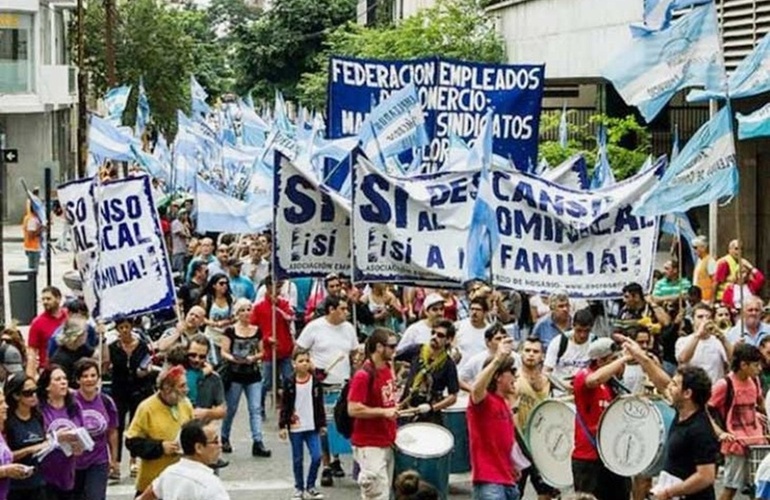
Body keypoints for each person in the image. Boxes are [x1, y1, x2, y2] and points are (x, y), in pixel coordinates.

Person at [623, 339, 720, 500]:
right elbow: (662, 382)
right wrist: (641, 357)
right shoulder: (682, 410)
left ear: (687, 394)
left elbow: (706, 476)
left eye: (675, 385)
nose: (670, 387)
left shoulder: (700, 429)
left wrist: (670, 492)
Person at [296, 296, 358, 485]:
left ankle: (337, 459)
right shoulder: (315, 327)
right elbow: (298, 351)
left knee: (340, 424)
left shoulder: (349, 328)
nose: (347, 312)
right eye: (343, 308)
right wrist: (313, 367)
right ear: (331, 309)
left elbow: (354, 352)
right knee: (323, 426)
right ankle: (326, 465)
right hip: (321, 384)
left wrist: (355, 365)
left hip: (344, 384)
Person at [571, 338, 631, 500]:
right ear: (600, 361)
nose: (619, 365)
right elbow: (594, 380)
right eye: (613, 360)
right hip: (589, 458)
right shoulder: (584, 375)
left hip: (613, 457)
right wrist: (624, 358)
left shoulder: (613, 384)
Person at [707, 343, 766, 500]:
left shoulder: (755, 381)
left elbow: (757, 404)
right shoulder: (724, 384)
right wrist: (720, 433)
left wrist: (760, 416)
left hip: (756, 441)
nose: (759, 368)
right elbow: (706, 409)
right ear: (743, 364)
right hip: (735, 444)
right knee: (731, 488)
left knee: (758, 486)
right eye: (755, 365)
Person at [125, 365, 194, 496]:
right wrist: (160, 447)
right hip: (152, 483)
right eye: (182, 386)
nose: (186, 390)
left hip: (180, 482)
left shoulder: (186, 404)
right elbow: (132, 442)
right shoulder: (146, 408)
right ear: (167, 389)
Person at [347, 328, 399, 500]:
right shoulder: (363, 375)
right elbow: (353, 408)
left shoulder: (388, 369)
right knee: (377, 496)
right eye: (391, 346)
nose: (395, 350)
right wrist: (383, 412)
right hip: (369, 444)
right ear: (379, 347)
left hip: (387, 439)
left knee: (385, 493)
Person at [468, 335, 519, 499]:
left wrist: (513, 465)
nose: (515, 376)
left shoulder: (504, 403)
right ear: (497, 376)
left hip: (508, 481)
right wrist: (497, 359)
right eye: (512, 372)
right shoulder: (484, 401)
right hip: (489, 482)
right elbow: (475, 390)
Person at [104, 316, 155, 481]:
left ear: (131, 327)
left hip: (138, 390)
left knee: (135, 425)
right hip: (119, 390)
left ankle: (134, 460)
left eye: (127, 327)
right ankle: (116, 462)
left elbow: (147, 362)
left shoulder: (141, 346)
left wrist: (145, 371)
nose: (124, 331)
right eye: (121, 328)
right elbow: (105, 365)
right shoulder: (113, 347)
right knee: (116, 426)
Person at [220, 300, 269, 457]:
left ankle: (258, 441)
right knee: (231, 408)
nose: (247, 313)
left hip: (253, 374)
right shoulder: (230, 331)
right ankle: (225, 436)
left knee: (255, 408)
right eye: (243, 310)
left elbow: (262, 351)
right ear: (237, 313)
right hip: (235, 374)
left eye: (249, 309)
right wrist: (234, 359)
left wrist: (254, 357)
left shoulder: (257, 330)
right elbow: (224, 351)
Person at [136, 419, 229, 500]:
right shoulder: (210, 484)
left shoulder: (169, 472)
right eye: (215, 441)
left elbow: (148, 494)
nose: (220, 445)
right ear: (199, 448)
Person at [279, 349, 326, 500]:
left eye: (307, 360)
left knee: (317, 456)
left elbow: (320, 405)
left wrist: (322, 424)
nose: (304, 364)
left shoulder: (315, 382)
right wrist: (282, 425)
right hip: (296, 427)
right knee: (298, 458)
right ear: (293, 364)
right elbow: (285, 405)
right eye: (300, 361)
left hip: (312, 425)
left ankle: (311, 485)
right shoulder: (289, 382)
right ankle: (299, 487)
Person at [515, 336, 558, 500]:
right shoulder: (513, 379)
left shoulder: (549, 381)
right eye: (527, 350)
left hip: (542, 445)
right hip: (519, 445)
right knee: (515, 492)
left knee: (546, 492)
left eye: (535, 351)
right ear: (520, 353)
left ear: (542, 356)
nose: (531, 355)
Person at [395, 319, 459, 423]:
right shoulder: (417, 350)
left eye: (440, 335)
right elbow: (393, 357)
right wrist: (395, 378)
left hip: (430, 416)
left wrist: (432, 407)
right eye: (433, 333)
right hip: (406, 408)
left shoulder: (448, 364)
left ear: (448, 340)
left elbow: (453, 396)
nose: (434, 337)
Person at [38, 365, 86, 500]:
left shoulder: (75, 406)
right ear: (47, 386)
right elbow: (36, 441)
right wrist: (56, 437)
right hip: (44, 473)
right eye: (58, 379)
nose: (63, 382)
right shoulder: (40, 410)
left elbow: (82, 432)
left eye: (64, 378)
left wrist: (79, 445)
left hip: (68, 470)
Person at [73, 358, 118, 500]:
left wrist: (114, 459)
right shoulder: (70, 401)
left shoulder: (106, 401)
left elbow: (112, 431)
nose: (89, 380)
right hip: (73, 461)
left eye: (93, 376)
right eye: (85, 376)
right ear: (78, 379)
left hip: (98, 459)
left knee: (95, 496)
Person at [250, 277, 295, 419]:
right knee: (266, 382)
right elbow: (253, 329)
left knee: (289, 380)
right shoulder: (258, 308)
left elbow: (290, 317)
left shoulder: (284, 304)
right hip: (269, 352)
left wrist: (279, 308)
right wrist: (266, 339)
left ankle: (289, 409)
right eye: (276, 286)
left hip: (285, 349)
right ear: (268, 287)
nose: (279, 289)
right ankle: (260, 408)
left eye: (280, 286)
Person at [4, 376, 45, 500]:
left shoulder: (38, 417)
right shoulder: (8, 422)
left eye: (35, 391)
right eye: (28, 393)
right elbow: (6, 456)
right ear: (16, 396)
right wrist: (30, 449)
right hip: (15, 487)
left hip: (38, 482)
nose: (33, 396)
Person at [676, 303, 730, 383]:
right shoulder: (682, 341)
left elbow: (732, 360)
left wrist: (723, 339)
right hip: (693, 390)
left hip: (715, 389)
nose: (704, 320)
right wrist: (698, 335)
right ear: (692, 320)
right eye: (700, 317)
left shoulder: (718, 340)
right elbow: (683, 359)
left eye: (708, 317)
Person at [458, 323, 520, 392]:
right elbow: (458, 379)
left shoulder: (516, 357)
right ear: (488, 342)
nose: (503, 341)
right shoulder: (477, 359)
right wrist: (474, 391)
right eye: (498, 339)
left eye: (505, 337)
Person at [544, 308, 593, 385]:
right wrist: (561, 384)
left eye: (586, 331)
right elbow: (546, 372)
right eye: (579, 330)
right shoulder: (559, 342)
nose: (582, 335)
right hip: (560, 387)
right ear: (573, 326)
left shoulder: (594, 343)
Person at [27, 286, 68, 377]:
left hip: (69, 367)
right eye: (43, 299)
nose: (45, 302)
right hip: (47, 370)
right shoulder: (37, 323)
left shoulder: (69, 317)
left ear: (58, 298)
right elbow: (32, 352)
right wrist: (30, 377)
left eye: (48, 299)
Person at [49, 318, 94, 385]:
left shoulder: (82, 347)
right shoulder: (59, 359)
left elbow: (101, 359)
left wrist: (102, 339)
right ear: (76, 336)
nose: (87, 334)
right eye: (84, 333)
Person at [453, 297, 490, 372]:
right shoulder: (459, 326)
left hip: (480, 373)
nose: (474, 312)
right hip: (460, 372)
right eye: (472, 309)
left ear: (485, 313)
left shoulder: (490, 331)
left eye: (478, 310)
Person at [692, 236, 717, 304]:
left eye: (695, 247)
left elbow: (715, 281)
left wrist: (712, 299)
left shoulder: (710, 260)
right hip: (698, 297)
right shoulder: (699, 260)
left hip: (706, 298)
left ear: (703, 248)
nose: (694, 250)